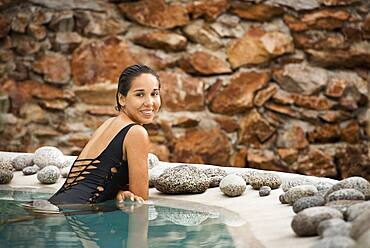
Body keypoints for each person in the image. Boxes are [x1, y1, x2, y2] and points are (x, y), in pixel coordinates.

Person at [48, 64, 161, 206]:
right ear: (122, 99)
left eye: (154, 94)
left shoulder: (109, 123)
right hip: (73, 213)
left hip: (53, 205)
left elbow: (95, 177)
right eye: (139, 94)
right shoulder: (136, 133)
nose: (149, 103)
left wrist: (118, 192)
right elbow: (140, 200)